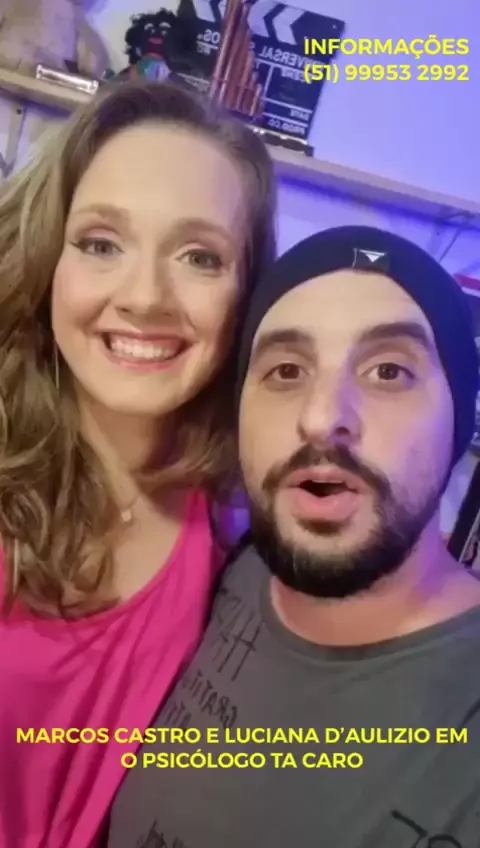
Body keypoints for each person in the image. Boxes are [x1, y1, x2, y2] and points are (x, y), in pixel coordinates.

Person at [108, 225, 480, 848]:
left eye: (389, 371)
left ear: (458, 420)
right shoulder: (234, 571)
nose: (322, 417)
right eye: (286, 370)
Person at [0, 79, 275, 848]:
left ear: (247, 297)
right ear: (50, 259)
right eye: (101, 243)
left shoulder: (237, 535)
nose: (146, 297)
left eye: (199, 257)